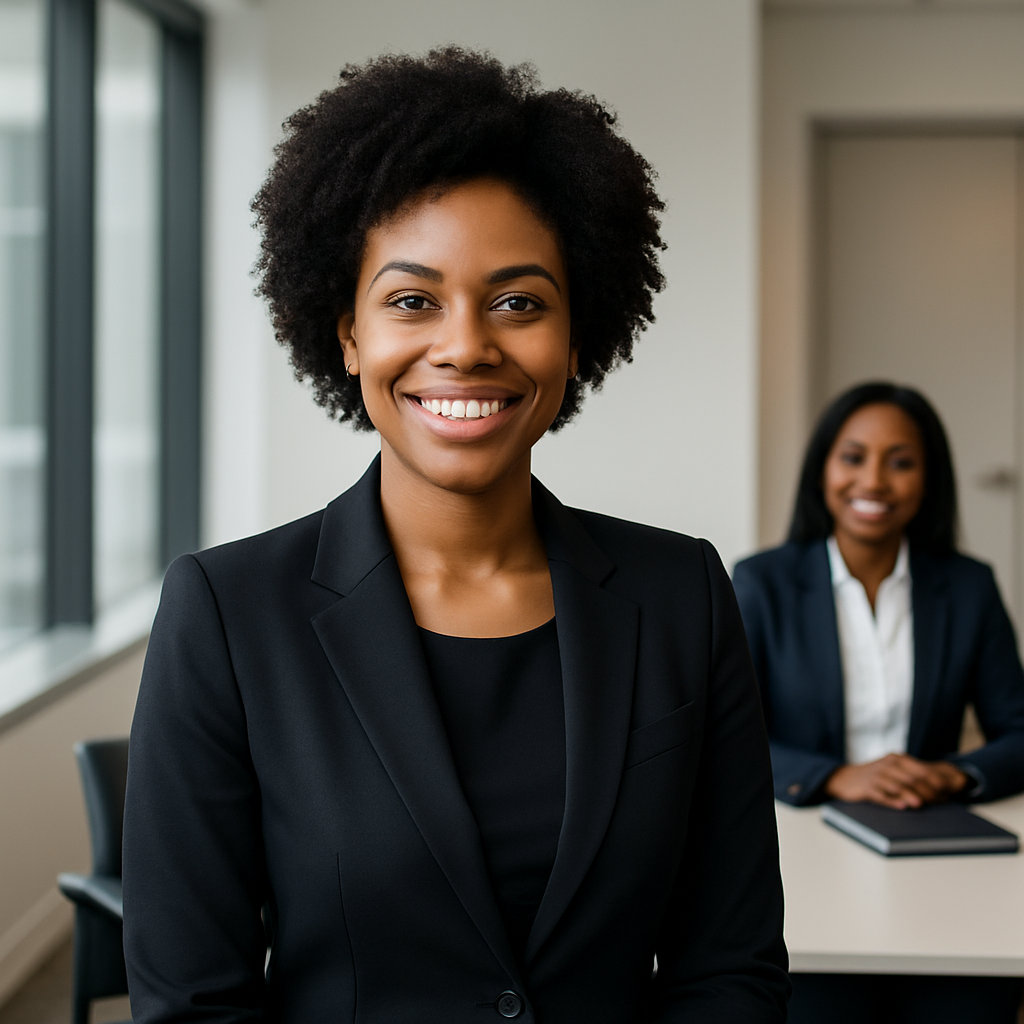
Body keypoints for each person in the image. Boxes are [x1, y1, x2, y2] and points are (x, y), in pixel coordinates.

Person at [121, 48, 788, 1024]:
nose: (467, 343)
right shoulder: (228, 613)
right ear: (346, 332)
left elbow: (727, 970)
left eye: (519, 301)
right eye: (410, 300)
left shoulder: (680, 593)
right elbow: (191, 1001)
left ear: (575, 332)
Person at [733, 381, 1024, 1024]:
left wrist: (955, 772)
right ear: (823, 470)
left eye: (902, 461)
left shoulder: (968, 587)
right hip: (801, 857)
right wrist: (836, 775)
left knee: (969, 1003)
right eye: (854, 456)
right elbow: (727, 741)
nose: (875, 480)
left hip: (935, 853)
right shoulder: (762, 582)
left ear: (930, 479)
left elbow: (1019, 732)